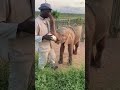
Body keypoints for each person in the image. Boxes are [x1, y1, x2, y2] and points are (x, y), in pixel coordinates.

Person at [0, 0, 35, 90]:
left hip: (36, 51)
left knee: (31, 84)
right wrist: (21, 27)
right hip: (18, 53)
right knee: (18, 86)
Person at [35, 3, 58, 69]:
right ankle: (41, 73)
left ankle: (52, 67)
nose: (49, 13)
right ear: (42, 10)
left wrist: (52, 21)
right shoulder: (36, 22)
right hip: (42, 46)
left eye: (50, 11)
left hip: (50, 44)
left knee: (53, 57)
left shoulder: (47, 20)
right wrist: (43, 37)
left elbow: (51, 30)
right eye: (48, 11)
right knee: (43, 61)